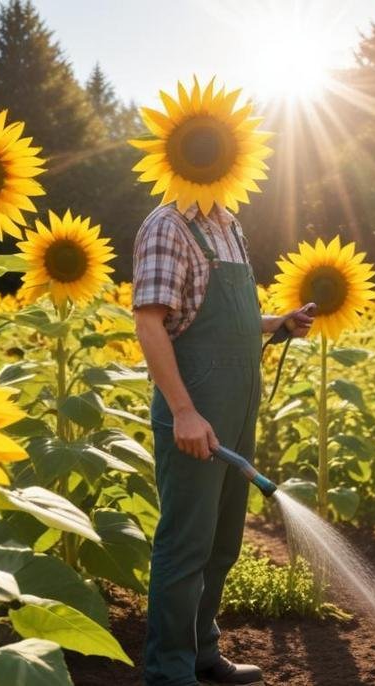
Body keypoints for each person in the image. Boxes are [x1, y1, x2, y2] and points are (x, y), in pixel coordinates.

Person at [133, 200, 314, 686]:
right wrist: (183, 411)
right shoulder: (167, 225)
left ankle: (200, 652)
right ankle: (169, 670)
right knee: (186, 543)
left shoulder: (228, 224)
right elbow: (150, 323)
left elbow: (232, 321)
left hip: (237, 407)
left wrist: (280, 322)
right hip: (194, 407)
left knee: (222, 542)